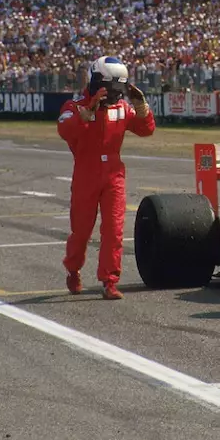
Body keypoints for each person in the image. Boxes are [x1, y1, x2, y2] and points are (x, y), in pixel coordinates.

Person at [57, 55, 155, 299]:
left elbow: (146, 129)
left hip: (114, 174)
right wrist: (86, 114)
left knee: (114, 229)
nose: (113, 94)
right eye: (110, 87)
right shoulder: (75, 106)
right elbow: (64, 130)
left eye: (118, 88)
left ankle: (110, 281)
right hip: (86, 174)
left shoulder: (121, 108)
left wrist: (143, 108)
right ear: (96, 81)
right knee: (81, 231)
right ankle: (72, 268)